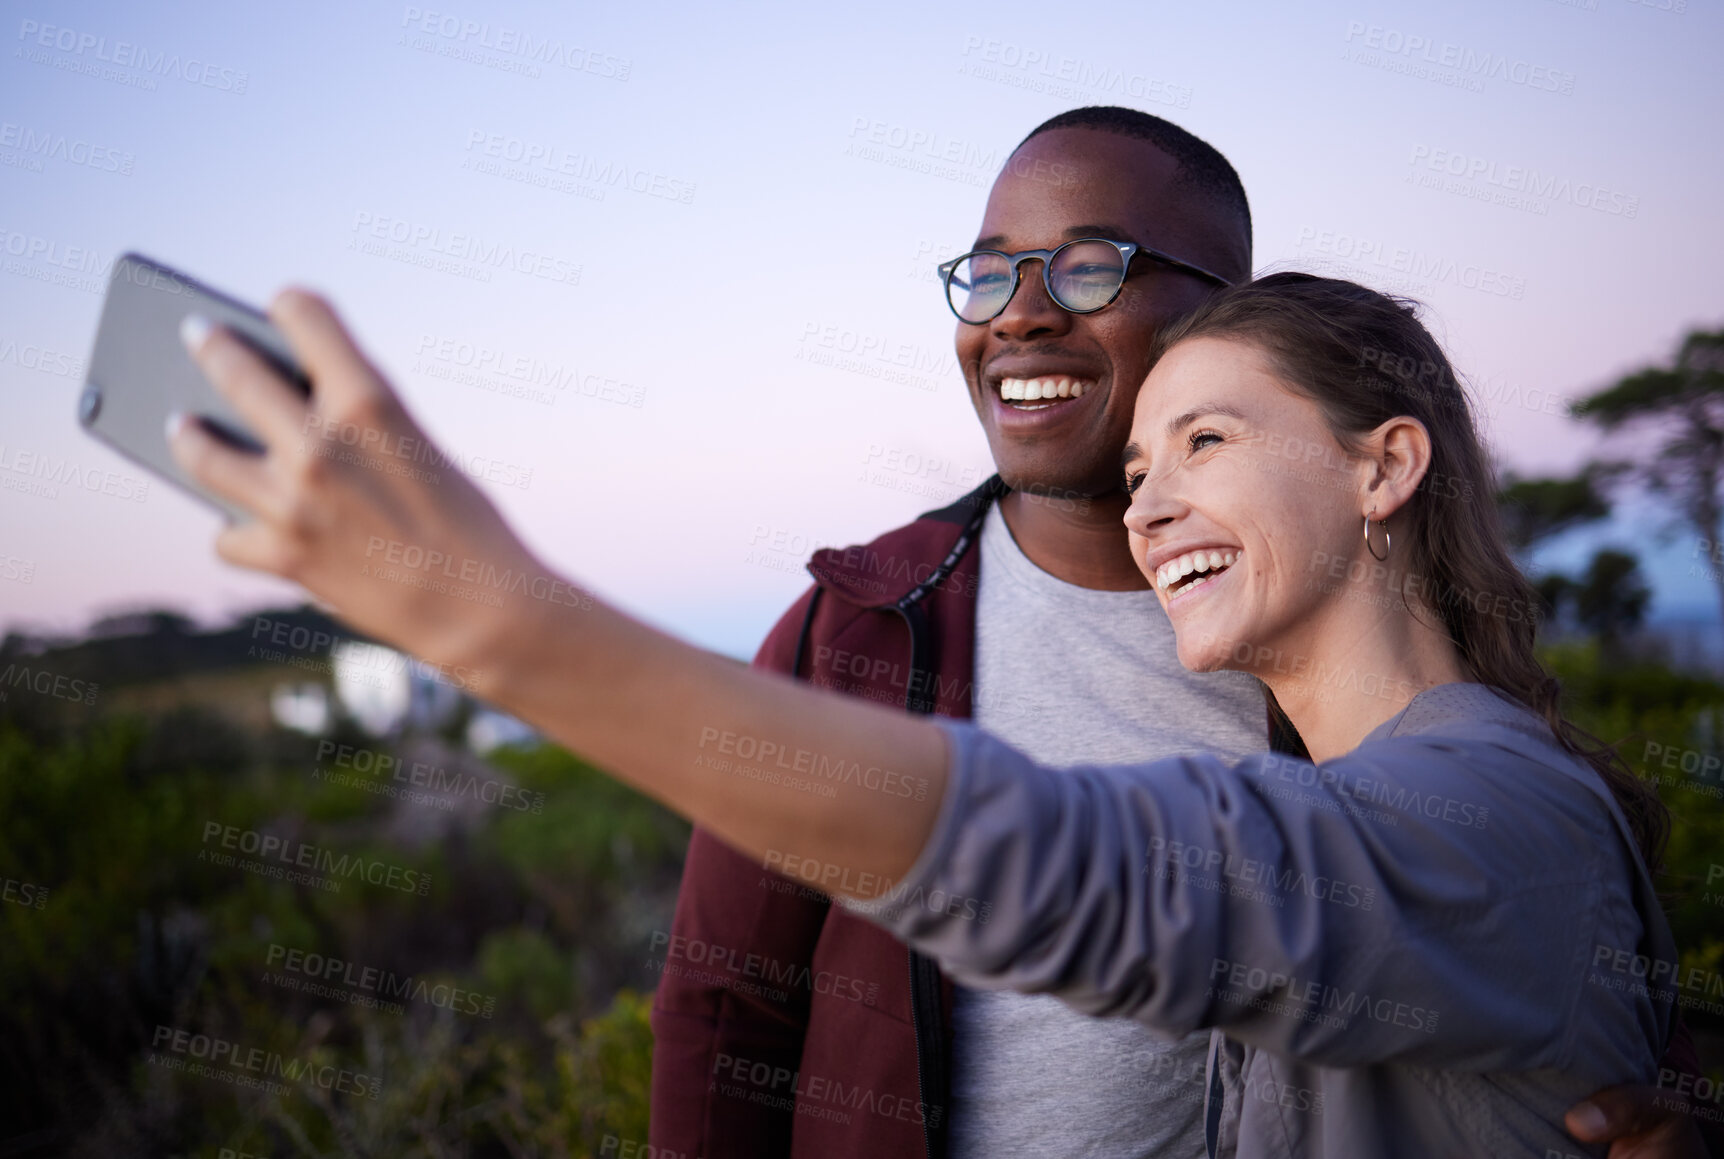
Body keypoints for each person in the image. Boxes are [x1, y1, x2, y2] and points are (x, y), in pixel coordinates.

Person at [162, 161, 1716, 1159]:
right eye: (1146, 464)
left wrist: (491, 618)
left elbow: (1087, 876)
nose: (1157, 492)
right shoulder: (876, 621)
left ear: (1384, 470)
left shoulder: (1470, 791)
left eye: (1210, 436)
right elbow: (723, 1014)